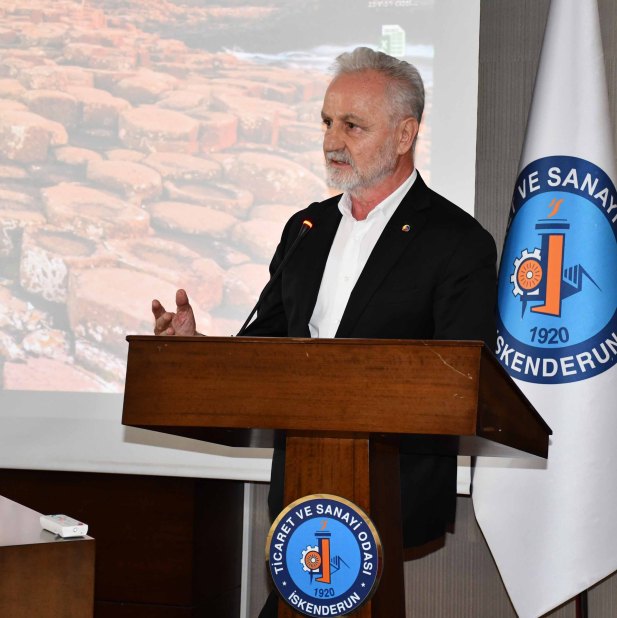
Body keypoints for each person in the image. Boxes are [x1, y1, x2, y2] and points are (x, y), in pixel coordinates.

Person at [151, 47, 497, 614]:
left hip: (390, 492)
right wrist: (197, 353)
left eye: (352, 125)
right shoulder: (306, 228)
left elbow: (463, 381)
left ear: (404, 134)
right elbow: (268, 347)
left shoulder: (457, 242)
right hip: (301, 487)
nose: (332, 140)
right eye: (327, 123)